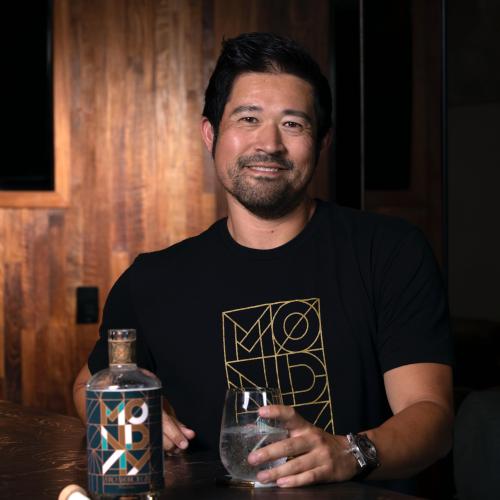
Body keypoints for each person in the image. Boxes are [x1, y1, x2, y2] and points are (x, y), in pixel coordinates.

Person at [73, 32, 453, 491]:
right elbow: (91, 382)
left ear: (322, 142)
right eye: (248, 118)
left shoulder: (389, 251)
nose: (269, 144)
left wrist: (349, 452)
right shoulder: (152, 281)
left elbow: (431, 416)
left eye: (293, 124)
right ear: (210, 134)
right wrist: (135, 413)